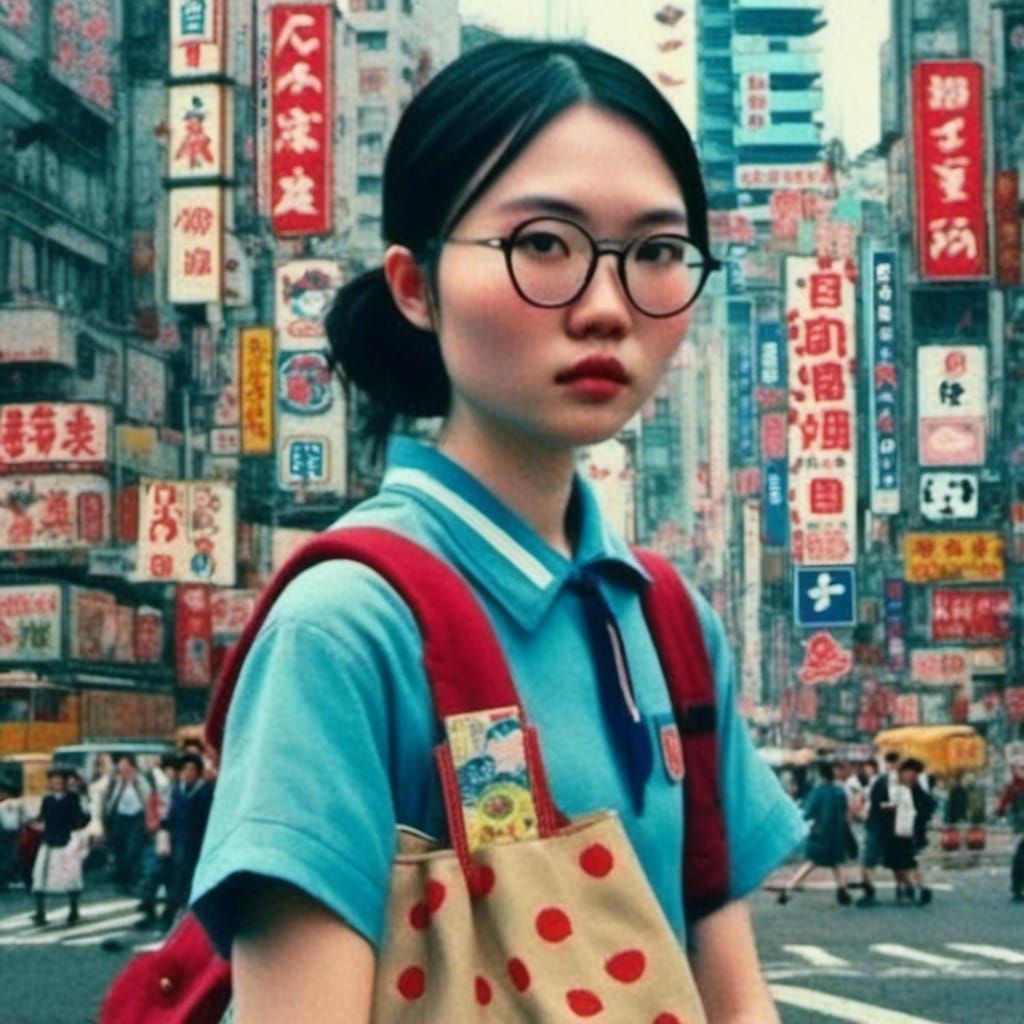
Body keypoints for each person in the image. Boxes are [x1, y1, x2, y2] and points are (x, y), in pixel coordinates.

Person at [190, 38, 807, 1024]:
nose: (606, 307)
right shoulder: (345, 627)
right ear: (413, 284)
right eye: (543, 245)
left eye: (654, 253)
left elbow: (730, 991)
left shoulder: (668, 620)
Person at [777, 762, 851, 905]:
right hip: (837, 833)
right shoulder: (839, 792)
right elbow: (845, 813)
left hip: (820, 832)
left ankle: (789, 887)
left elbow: (807, 812)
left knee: (812, 862)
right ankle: (842, 891)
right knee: (837, 862)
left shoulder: (817, 792)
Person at [31, 767, 89, 926]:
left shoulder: (73, 798)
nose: (56, 783)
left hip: (67, 839)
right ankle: (40, 912)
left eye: (59, 780)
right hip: (49, 840)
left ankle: (73, 910)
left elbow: (81, 818)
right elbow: (42, 817)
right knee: (41, 876)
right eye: (53, 780)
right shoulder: (47, 800)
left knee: (71, 876)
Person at [163, 752, 214, 930]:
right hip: (179, 842)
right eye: (184, 769)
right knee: (176, 877)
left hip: (198, 843)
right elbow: (172, 816)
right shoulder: (178, 790)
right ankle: (175, 914)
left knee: (193, 879)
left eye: (192, 769)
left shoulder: (207, 792)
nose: (188, 772)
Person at [136, 754, 180, 929]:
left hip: (174, 838)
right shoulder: (156, 793)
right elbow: (149, 813)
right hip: (156, 837)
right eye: (166, 771)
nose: (169, 775)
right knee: (152, 874)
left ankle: (169, 913)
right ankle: (149, 910)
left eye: (172, 771)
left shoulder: (178, 792)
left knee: (171, 877)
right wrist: (153, 826)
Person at [884, 758, 935, 906]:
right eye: (908, 772)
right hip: (896, 829)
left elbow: (926, 807)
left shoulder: (916, 790)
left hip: (909, 831)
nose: (911, 776)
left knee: (907, 862)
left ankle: (919, 887)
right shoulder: (897, 787)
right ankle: (905, 886)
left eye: (914, 773)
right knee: (898, 863)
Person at [103, 754, 152, 892]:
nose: (123, 771)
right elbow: (111, 799)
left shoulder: (140, 780)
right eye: (121, 767)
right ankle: (121, 879)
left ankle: (132, 878)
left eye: (126, 767)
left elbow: (147, 798)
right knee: (120, 848)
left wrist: (134, 782)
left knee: (133, 849)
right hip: (121, 817)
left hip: (136, 817)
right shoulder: (118, 782)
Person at [995, 761, 1024, 902]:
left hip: (1019, 823)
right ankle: (1017, 886)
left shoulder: (1014, 785)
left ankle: (1017, 886)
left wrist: (1000, 812)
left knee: (1020, 855)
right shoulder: (1014, 786)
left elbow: (1002, 805)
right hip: (1021, 823)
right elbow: (1002, 804)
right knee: (1021, 855)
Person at [0, 779, 25, 890]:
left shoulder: (13, 805)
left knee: (11, 857)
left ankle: (10, 878)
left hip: (10, 835)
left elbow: (16, 822)